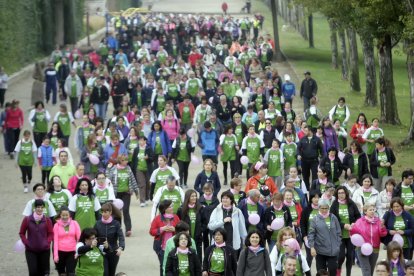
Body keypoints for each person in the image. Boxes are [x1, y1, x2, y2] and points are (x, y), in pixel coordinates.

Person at [330, 186, 361, 276]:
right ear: (337, 194)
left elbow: (358, 216)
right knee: (341, 256)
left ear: (346, 193)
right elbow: (332, 219)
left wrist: (353, 223)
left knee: (350, 256)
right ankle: (338, 268)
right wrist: (343, 225)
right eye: (339, 193)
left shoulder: (351, 203)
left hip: (351, 235)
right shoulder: (334, 204)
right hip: (339, 235)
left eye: (342, 193)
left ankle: (348, 274)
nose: (341, 195)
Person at [106, 154, 139, 237]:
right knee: (117, 212)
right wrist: (108, 169)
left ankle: (128, 229)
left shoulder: (128, 169)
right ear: (120, 161)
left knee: (125, 210)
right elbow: (108, 179)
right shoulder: (114, 169)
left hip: (126, 193)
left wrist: (136, 191)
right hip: (116, 193)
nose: (126, 162)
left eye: (127, 160)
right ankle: (118, 229)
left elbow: (133, 179)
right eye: (124, 160)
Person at [350, 203, 388, 275]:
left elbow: (383, 234)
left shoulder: (378, 221)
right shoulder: (359, 221)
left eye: (373, 210)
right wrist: (351, 228)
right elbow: (353, 234)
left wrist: (383, 227)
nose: (372, 211)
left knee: (371, 270)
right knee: (366, 270)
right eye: (370, 210)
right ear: (365, 212)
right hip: (362, 249)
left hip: (375, 249)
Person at [19, 199, 54, 276]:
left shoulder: (47, 220)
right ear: (34, 208)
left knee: (43, 272)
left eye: (42, 207)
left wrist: (47, 242)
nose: (40, 209)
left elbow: (51, 233)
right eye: (38, 207)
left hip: (44, 250)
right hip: (30, 250)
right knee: (33, 272)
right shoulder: (27, 219)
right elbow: (21, 233)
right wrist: (27, 243)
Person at [308, 198, 341, 276]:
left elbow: (339, 232)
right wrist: (312, 247)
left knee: (333, 270)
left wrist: (337, 244)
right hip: (320, 250)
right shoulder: (315, 219)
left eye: (326, 208)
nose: (324, 210)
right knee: (321, 272)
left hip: (333, 251)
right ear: (319, 208)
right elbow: (311, 234)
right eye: (322, 208)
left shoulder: (333, 218)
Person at [208, 191, 247, 256]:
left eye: (227, 198)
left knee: (233, 264)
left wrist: (245, 241)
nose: (224, 200)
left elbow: (242, 228)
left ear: (231, 200)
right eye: (223, 198)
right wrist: (223, 221)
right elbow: (211, 226)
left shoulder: (237, 211)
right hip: (219, 243)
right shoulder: (216, 210)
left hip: (233, 243)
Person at [149, 199, 180, 276]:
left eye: (172, 206)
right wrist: (161, 229)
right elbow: (151, 231)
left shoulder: (176, 217)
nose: (172, 208)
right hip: (161, 248)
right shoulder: (157, 218)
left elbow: (181, 230)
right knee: (163, 265)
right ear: (164, 209)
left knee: (174, 266)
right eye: (170, 206)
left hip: (174, 247)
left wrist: (175, 230)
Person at [94, 203, 125, 276]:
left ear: (110, 212)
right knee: (105, 273)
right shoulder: (97, 224)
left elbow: (121, 236)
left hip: (114, 252)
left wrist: (121, 248)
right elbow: (93, 236)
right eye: (102, 212)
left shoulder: (116, 223)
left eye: (105, 212)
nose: (103, 214)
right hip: (102, 252)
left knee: (111, 273)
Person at [177, 189, 205, 263]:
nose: (194, 198)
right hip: (185, 238)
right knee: (187, 258)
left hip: (197, 238)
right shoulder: (181, 209)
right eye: (192, 196)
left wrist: (200, 230)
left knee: (198, 258)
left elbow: (205, 222)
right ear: (187, 197)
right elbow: (178, 224)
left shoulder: (200, 208)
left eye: (195, 196)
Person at [53, 206, 81, 276]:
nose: (65, 217)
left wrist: (77, 252)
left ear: (69, 215)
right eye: (63, 215)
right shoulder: (56, 225)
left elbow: (79, 239)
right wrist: (55, 255)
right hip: (60, 252)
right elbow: (55, 241)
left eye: (66, 215)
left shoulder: (75, 223)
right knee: (62, 273)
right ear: (60, 215)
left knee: (71, 273)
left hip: (72, 252)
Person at [297, 126, 323, 190]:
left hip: (314, 160)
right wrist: (298, 154)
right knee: (305, 176)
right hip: (304, 160)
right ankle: (306, 189)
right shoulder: (302, 139)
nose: (304, 132)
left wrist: (322, 158)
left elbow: (322, 149)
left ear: (310, 131)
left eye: (306, 131)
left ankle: (314, 189)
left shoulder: (317, 139)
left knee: (315, 175)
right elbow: (298, 148)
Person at [131, 135, 154, 206]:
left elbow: (153, 158)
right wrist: (133, 169)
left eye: (142, 140)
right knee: (142, 184)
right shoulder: (136, 149)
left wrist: (148, 158)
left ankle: (146, 198)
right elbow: (133, 160)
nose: (140, 142)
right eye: (139, 140)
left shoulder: (149, 149)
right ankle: (142, 201)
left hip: (147, 169)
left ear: (145, 141)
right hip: (139, 169)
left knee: (147, 184)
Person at [300, 193, 320, 269]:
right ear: (311, 199)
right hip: (309, 237)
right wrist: (305, 237)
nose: (316, 199)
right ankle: (307, 272)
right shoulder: (306, 210)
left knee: (319, 258)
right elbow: (302, 224)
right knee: (310, 256)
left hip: (320, 238)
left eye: (318, 197)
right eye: (314, 197)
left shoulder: (323, 209)